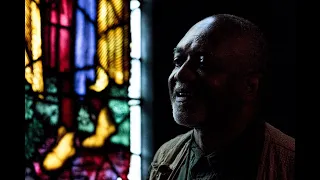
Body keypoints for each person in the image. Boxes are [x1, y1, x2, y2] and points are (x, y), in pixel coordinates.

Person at [148, 14, 295, 180]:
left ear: (250, 86)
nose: (181, 74)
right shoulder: (167, 157)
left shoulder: (287, 164)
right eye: (178, 61)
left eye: (202, 63)